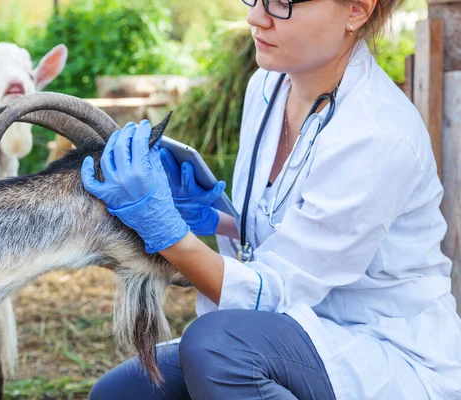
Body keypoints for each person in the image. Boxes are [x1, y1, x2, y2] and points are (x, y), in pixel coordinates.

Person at [81, 0, 461, 398]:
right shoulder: (266, 87)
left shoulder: (377, 134)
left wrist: (169, 234)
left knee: (217, 347)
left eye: (283, 2)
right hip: (287, 336)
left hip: (380, 353)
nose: (255, 17)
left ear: (357, 11)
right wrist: (214, 219)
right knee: (121, 393)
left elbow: (273, 294)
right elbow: (281, 240)